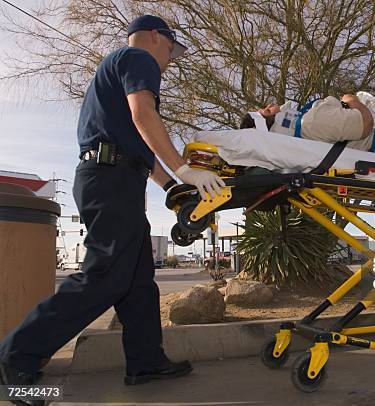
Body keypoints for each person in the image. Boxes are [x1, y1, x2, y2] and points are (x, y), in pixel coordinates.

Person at [0, 15, 225, 402]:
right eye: (171, 50)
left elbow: (140, 147)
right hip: (110, 180)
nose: (170, 61)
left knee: (137, 281)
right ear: (155, 37)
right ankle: (16, 355)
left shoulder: (116, 71)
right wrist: (185, 168)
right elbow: (145, 117)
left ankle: (145, 362)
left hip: (114, 176)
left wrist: (173, 187)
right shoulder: (138, 59)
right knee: (105, 275)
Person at [240, 94, 375, 161]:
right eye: (266, 110)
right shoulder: (311, 123)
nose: (271, 105)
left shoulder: (293, 144)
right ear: (271, 120)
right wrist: (352, 100)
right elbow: (365, 125)